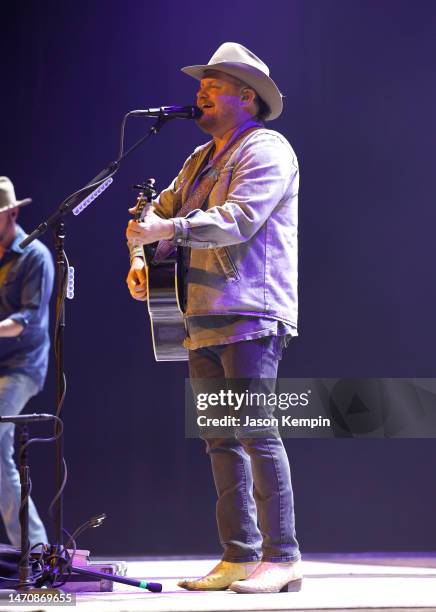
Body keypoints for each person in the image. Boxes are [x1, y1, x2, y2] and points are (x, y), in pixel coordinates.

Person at [126, 42, 302, 594]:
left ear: (246, 98)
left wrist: (166, 232)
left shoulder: (267, 149)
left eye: (214, 85)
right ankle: (239, 555)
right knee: (218, 439)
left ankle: (283, 555)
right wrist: (140, 253)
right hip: (200, 313)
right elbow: (157, 212)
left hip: (251, 307)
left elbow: (238, 220)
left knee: (256, 432)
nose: (200, 92)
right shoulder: (198, 160)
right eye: (201, 84)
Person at [0, 176, 54, 548]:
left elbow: (28, 321)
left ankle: (32, 551)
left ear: (12, 214)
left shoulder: (34, 256)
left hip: (21, 367)